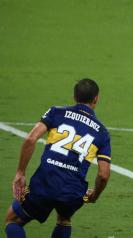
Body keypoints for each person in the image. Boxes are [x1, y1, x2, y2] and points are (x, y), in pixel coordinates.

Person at [4, 78, 111, 238]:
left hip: (44, 183)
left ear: (74, 97)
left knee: (12, 220)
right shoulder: (102, 132)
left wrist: (20, 172)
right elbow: (103, 174)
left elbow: (30, 139)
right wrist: (94, 195)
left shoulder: (56, 112)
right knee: (64, 218)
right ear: (96, 99)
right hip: (74, 191)